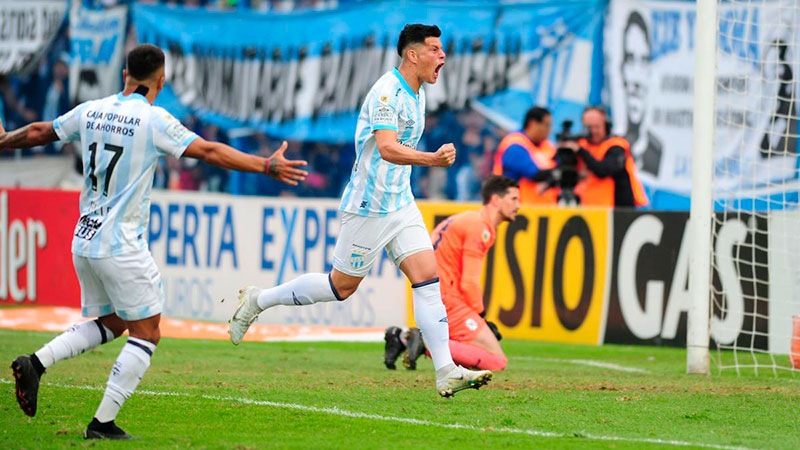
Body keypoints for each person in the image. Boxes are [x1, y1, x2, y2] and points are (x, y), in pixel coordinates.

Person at [1, 44, 308, 439]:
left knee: (115, 322)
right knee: (147, 332)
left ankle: (35, 364)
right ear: (160, 82)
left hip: (84, 238)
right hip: (120, 243)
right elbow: (209, 150)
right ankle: (102, 423)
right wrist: (265, 165)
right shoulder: (153, 120)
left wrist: (5, 140)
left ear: (124, 74)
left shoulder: (91, 109)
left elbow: (43, 132)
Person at [228, 24, 493, 398]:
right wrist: (431, 160)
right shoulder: (386, 93)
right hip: (369, 207)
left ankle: (446, 370)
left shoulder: (417, 93)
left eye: (442, 49)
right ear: (412, 55)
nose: (442, 56)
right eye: (434, 49)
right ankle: (259, 300)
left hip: (400, 202)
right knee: (341, 287)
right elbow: (387, 148)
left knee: (427, 278)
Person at [384, 176, 519, 372]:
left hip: (432, 293)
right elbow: (469, 282)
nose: (519, 205)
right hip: (447, 299)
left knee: (472, 348)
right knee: (497, 361)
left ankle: (403, 338)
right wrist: (481, 317)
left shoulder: (466, 219)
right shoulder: (481, 227)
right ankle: (424, 342)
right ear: (497, 200)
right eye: (514, 199)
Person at [574, 106, 648, 208]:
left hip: (615, 209)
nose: (593, 131)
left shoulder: (616, 145)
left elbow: (602, 170)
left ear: (606, 125)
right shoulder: (582, 144)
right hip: (587, 207)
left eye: (597, 127)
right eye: (589, 127)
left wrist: (580, 151)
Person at [620, 11, 662, 177]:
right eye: (630, 59)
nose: (636, 80)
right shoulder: (611, 146)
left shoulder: (656, 151)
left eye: (644, 60)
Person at [492, 106, 558, 205]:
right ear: (533, 124)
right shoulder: (515, 145)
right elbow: (535, 174)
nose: (549, 130)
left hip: (544, 209)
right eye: (547, 125)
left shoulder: (548, 146)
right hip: (516, 210)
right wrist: (559, 173)